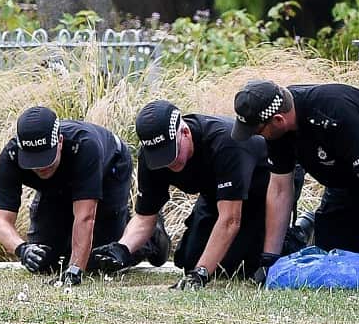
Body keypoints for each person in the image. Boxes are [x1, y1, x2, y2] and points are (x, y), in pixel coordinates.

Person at [232, 80, 359, 284]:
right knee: (333, 255)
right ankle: (314, 221)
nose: (257, 137)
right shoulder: (277, 131)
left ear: (278, 120)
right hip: (344, 180)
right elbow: (279, 188)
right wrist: (270, 259)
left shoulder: (333, 111)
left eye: (258, 132)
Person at [92, 100, 298, 290]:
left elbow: (230, 220)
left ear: (185, 133)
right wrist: (122, 249)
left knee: (236, 267)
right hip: (216, 196)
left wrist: (201, 275)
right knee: (187, 261)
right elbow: (145, 217)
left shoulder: (225, 142)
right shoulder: (152, 156)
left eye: (172, 154)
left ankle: (296, 236)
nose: (169, 165)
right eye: (161, 158)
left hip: (264, 192)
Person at [0, 106, 166, 286]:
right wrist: (22, 249)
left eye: (45, 159)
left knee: (102, 258)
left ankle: (150, 237)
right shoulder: (10, 157)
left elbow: (85, 217)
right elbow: (2, 220)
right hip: (58, 184)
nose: (40, 167)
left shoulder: (84, 146)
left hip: (109, 168)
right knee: (44, 261)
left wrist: (75, 269)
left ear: (59, 142)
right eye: (32, 162)